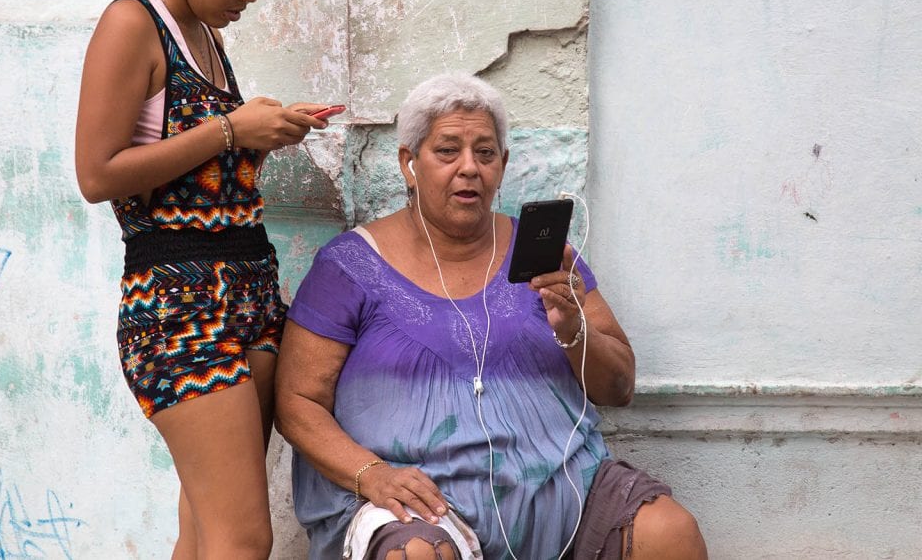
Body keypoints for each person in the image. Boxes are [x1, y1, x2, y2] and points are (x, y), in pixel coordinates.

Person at [275, 73, 708, 559]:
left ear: (502, 165)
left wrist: (574, 331)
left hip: (565, 489)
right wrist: (372, 474)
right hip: (420, 503)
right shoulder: (350, 266)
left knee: (670, 531)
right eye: (447, 151)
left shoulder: (544, 256)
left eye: (485, 154)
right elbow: (297, 401)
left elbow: (618, 389)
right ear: (408, 163)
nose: (469, 169)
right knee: (417, 554)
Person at [74, 0, 335, 556]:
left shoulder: (206, 35)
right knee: (243, 538)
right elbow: (97, 173)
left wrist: (266, 129)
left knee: (203, 533)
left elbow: (197, 170)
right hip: (179, 308)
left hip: (246, 298)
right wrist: (228, 130)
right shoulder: (133, 23)